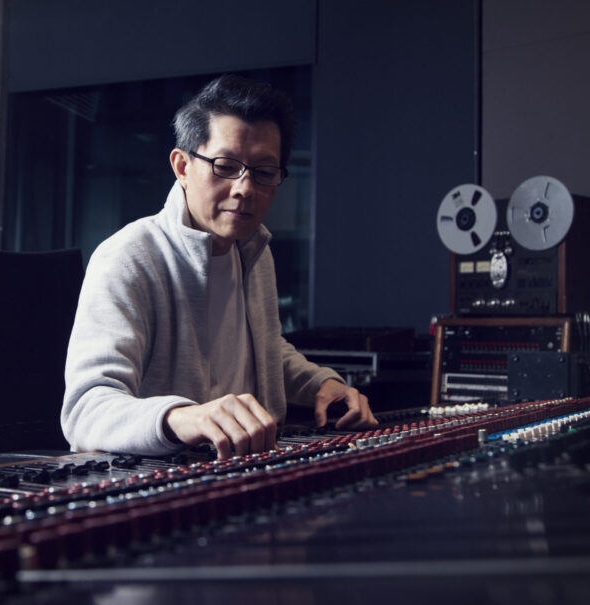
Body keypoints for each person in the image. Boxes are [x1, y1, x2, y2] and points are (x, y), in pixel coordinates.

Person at [60, 74, 377, 459]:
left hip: (252, 466)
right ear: (182, 167)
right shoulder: (128, 256)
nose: (245, 188)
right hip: (165, 482)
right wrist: (186, 418)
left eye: (263, 172)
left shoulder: (254, 248)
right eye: (225, 166)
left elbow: (264, 347)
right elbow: (86, 411)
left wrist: (321, 384)